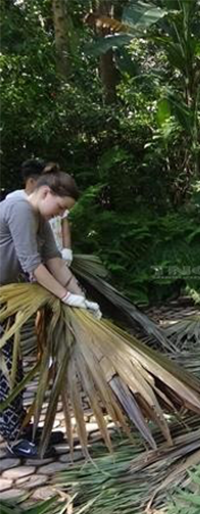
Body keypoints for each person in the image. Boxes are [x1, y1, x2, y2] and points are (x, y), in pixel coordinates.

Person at [0, 166, 101, 459]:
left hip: (7, 300)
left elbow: (54, 260)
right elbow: (33, 265)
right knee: (4, 371)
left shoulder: (39, 215)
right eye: (60, 207)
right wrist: (66, 296)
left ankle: (20, 426)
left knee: (14, 365)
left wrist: (82, 300)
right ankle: (13, 439)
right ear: (45, 192)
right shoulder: (20, 208)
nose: (60, 214)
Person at [5, 159, 74, 265]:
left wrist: (67, 250)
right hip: (30, 260)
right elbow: (29, 259)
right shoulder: (16, 202)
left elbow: (64, 224)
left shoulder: (47, 210)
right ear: (32, 181)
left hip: (53, 255)